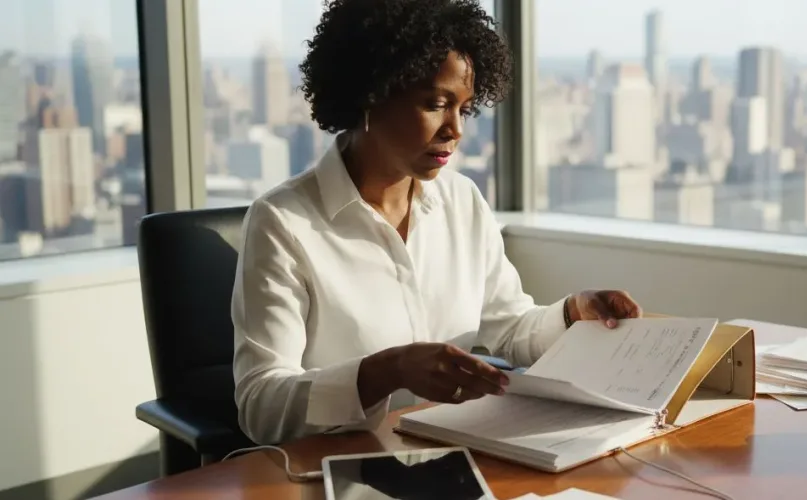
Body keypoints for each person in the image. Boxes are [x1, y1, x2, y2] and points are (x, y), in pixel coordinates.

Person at [231, 0, 643, 446]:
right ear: (371, 94)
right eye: (436, 104)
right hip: (339, 465)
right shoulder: (283, 223)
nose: (455, 130)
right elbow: (261, 406)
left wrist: (572, 313)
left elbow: (509, 327)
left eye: (464, 109)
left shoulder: (461, 200)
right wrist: (385, 371)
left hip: (454, 452)